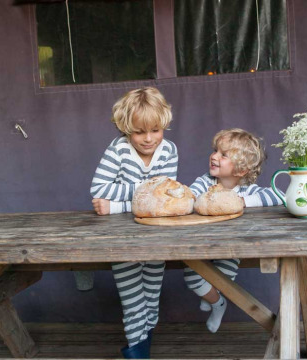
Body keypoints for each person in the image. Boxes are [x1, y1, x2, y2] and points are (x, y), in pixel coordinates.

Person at [90, 87, 177, 359]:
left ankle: (141, 349)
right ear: (126, 129)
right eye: (139, 132)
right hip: (121, 240)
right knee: (133, 301)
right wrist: (146, 191)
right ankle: (136, 354)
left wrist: (117, 206)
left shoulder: (169, 150)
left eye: (154, 130)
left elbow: (162, 198)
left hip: (155, 236)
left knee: (151, 298)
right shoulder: (118, 150)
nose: (148, 139)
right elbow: (98, 189)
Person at [186, 128, 282, 333]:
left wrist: (242, 201)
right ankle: (217, 303)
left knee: (221, 282)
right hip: (199, 246)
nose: (214, 156)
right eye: (215, 150)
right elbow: (190, 197)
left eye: (223, 155)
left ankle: (215, 300)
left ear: (240, 171)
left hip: (231, 249)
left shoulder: (247, 191)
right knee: (193, 277)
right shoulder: (204, 182)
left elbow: (280, 196)